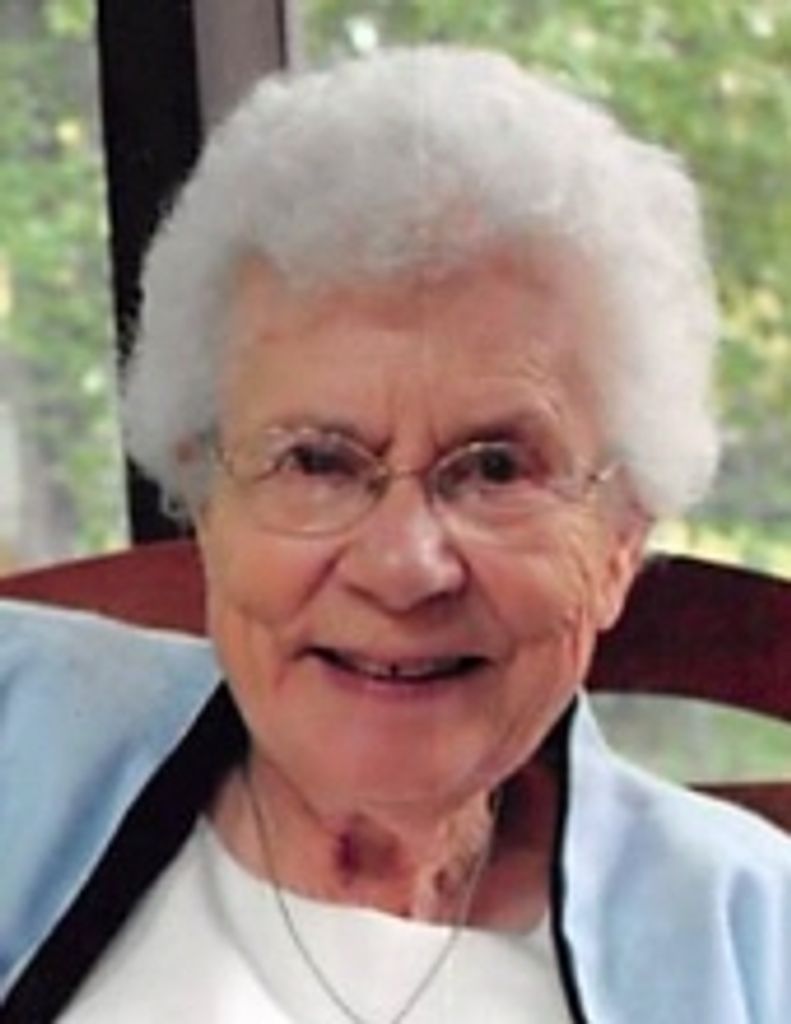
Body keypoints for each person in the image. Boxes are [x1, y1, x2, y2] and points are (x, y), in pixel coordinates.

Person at [1, 45, 789, 1024]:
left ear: (620, 538)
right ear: (206, 500)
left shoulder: (751, 938)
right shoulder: (20, 735)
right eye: (316, 462)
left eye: (495, 469)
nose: (403, 566)